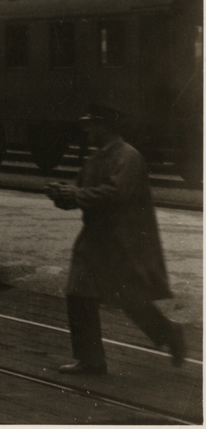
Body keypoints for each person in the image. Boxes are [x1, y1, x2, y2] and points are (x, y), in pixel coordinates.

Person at [45, 104, 185, 375]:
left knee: (129, 298)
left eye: (91, 126)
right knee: (79, 294)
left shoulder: (128, 157)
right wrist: (62, 194)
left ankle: (169, 333)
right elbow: (83, 194)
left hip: (122, 240)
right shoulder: (96, 159)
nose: (87, 131)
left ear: (105, 127)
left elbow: (115, 194)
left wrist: (75, 194)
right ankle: (91, 361)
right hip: (95, 239)